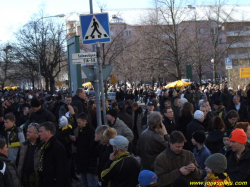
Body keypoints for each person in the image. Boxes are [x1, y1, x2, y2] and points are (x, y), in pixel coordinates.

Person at [70, 112, 99, 187]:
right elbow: (80, 145)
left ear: (85, 121)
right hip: (82, 161)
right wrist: (76, 141)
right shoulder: (81, 130)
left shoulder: (91, 131)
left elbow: (92, 147)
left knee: (91, 182)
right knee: (85, 182)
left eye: (79, 122)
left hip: (89, 161)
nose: (78, 124)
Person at [38, 122, 67, 187]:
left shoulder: (57, 147)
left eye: (41, 131)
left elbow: (61, 169)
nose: (39, 134)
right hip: (44, 181)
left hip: (52, 182)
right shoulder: (44, 145)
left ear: (48, 132)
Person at [16, 123, 42, 187]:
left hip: (36, 179)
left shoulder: (42, 146)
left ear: (37, 134)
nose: (27, 133)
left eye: (30, 132)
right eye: (27, 131)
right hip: (24, 178)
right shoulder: (23, 145)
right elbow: (18, 161)